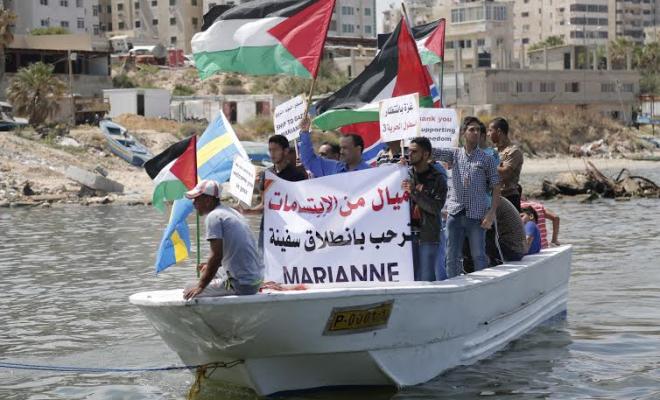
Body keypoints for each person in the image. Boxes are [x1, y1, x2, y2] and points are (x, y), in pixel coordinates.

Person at [432, 116, 502, 278]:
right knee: (452, 256)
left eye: (478, 130)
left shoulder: (487, 159)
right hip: (455, 213)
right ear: (464, 133)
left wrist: (491, 213)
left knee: (479, 256)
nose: (476, 132)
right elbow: (433, 152)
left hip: (477, 215)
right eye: (472, 129)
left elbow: (497, 186)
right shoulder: (454, 154)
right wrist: (411, 147)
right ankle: (453, 286)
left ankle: (482, 287)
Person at [183, 180, 264, 299]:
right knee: (208, 269)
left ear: (208, 200)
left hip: (242, 285)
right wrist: (209, 266)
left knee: (189, 288)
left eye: (196, 199)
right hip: (255, 280)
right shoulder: (230, 212)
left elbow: (216, 256)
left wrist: (201, 286)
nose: (193, 203)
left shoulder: (214, 217)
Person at [240, 135, 307, 252]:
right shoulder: (267, 174)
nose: (272, 154)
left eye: (275, 150)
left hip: (289, 231)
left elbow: (302, 205)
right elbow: (264, 205)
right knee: (262, 261)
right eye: (270, 150)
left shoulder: (297, 175)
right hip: (267, 230)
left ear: (285, 151)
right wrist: (247, 211)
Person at [401, 137, 448, 281]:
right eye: (409, 151)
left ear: (426, 154)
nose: (409, 154)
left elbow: (435, 208)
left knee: (426, 279)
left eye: (414, 152)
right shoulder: (405, 174)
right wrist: (396, 171)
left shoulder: (438, 178)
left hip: (427, 235)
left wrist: (414, 192)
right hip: (406, 236)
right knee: (410, 278)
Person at [299, 115, 370, 177]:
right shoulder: (334, 168)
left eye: (345, 148)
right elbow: (309, 160)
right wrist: (304, 132)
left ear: (358, 149)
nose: (341, 151)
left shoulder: (370, 173)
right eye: (341, 148)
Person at [488, 117, 523, 211]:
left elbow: (505, 173)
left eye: (490, 130)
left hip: (509, 198)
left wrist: (486, 165)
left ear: (499, 131)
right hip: (494, 198)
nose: (488, 134)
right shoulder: (493, 152)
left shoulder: (513, 151)